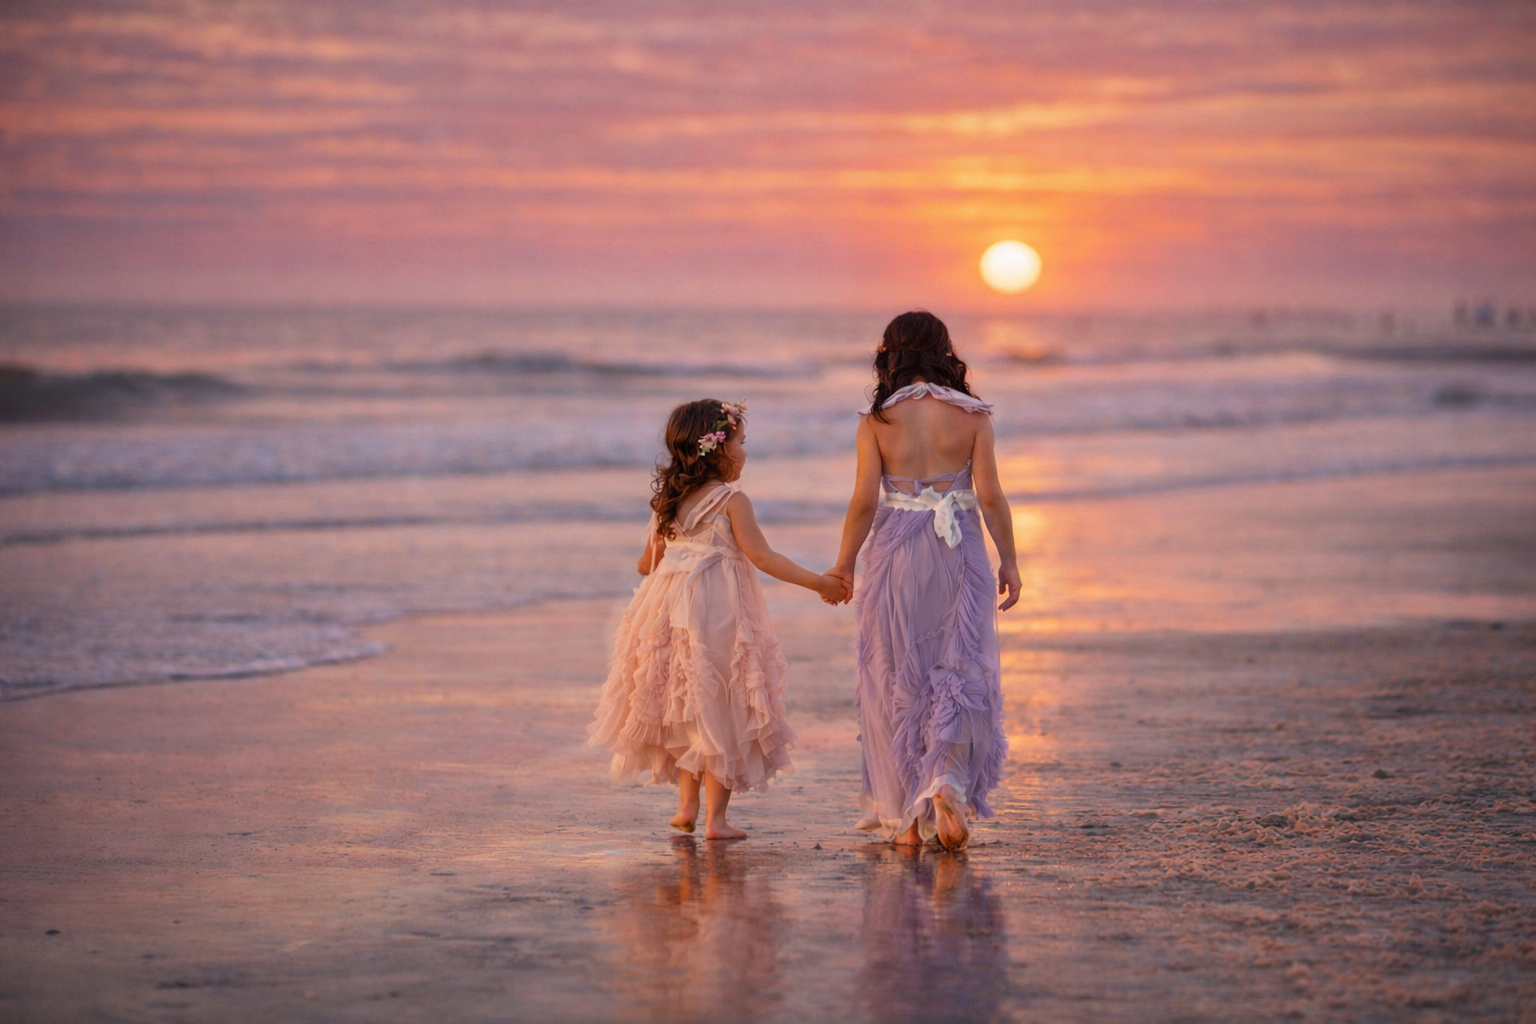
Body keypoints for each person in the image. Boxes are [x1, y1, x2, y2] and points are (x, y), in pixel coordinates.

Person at [589, 399, 852, 840]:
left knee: (688, 703)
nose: (746, 452)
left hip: (667, 611)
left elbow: (645, 564)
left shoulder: (667, 503)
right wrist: (818, 583)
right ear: (719, 449)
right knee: (724, 701)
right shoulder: (733, 501)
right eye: (741, 443)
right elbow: (764, 557)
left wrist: (676, 553)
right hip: (716, 610)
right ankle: (716, 820)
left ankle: (687, 807)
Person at [827, 311, 1019, 851]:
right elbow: (991, 497)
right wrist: (1009, 560)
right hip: (959, 547)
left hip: (895, 552)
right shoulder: (973, 417)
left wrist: (844, 564)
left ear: (891, 353)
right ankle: (947, 782)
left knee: (894, 676)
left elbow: (865, 500)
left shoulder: (876, 421)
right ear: (943, 350)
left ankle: (907, 823)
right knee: (959, 668)